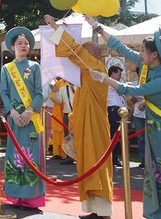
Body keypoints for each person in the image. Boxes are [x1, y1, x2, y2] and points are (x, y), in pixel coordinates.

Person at [86, 15, 161, 219]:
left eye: (142, 50)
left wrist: (104, 79)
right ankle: (156, 211)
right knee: (153, 169)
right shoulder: (147, 65)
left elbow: (134, 90)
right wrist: (97, 27)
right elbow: (121, 48)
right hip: (154, 127)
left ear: (154, 54)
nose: (139, 53)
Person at [44, 14, 112, 219]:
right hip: (85, 125)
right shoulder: (85, 75)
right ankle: (94, 209)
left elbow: (75, 51)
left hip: (95, 126)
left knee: (96, 162)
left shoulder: (96, 68)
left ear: (94, 55)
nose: (81, 54)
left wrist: (56, 27)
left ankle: (103, 211)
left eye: (86, 51)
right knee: (87, 164)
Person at [0, 27, 45, 209]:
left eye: (26, 43)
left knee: (31, 154)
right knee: (14, 153)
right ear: (13, 47)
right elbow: (4, 92)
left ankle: (31, 198)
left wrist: (29, 111)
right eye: (19, 43)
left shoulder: (35, 67)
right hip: (14, 118)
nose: (23, 46)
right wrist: (12, 112)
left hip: (30, 118)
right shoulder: (6, 68)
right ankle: (16, 196)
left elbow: (40, 93)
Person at [106, 66, 125, 167]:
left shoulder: (115, 83)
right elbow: (123, 88)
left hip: (119, 110)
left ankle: (115, 156)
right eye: (119, 74)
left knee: (117, 135)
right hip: (113, 110)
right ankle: (113, 157)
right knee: (114, 134)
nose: (120, 76)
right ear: (113, 74)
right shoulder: (110, 82)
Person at [129, 67, 147, 168]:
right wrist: (134, 99)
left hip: (150, 113)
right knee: (141, 138)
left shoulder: (151, 83)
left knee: (151, 137)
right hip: (138, 114)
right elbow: (131, 100)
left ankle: (152, 160)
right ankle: (143, 159)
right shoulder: (135, 84)